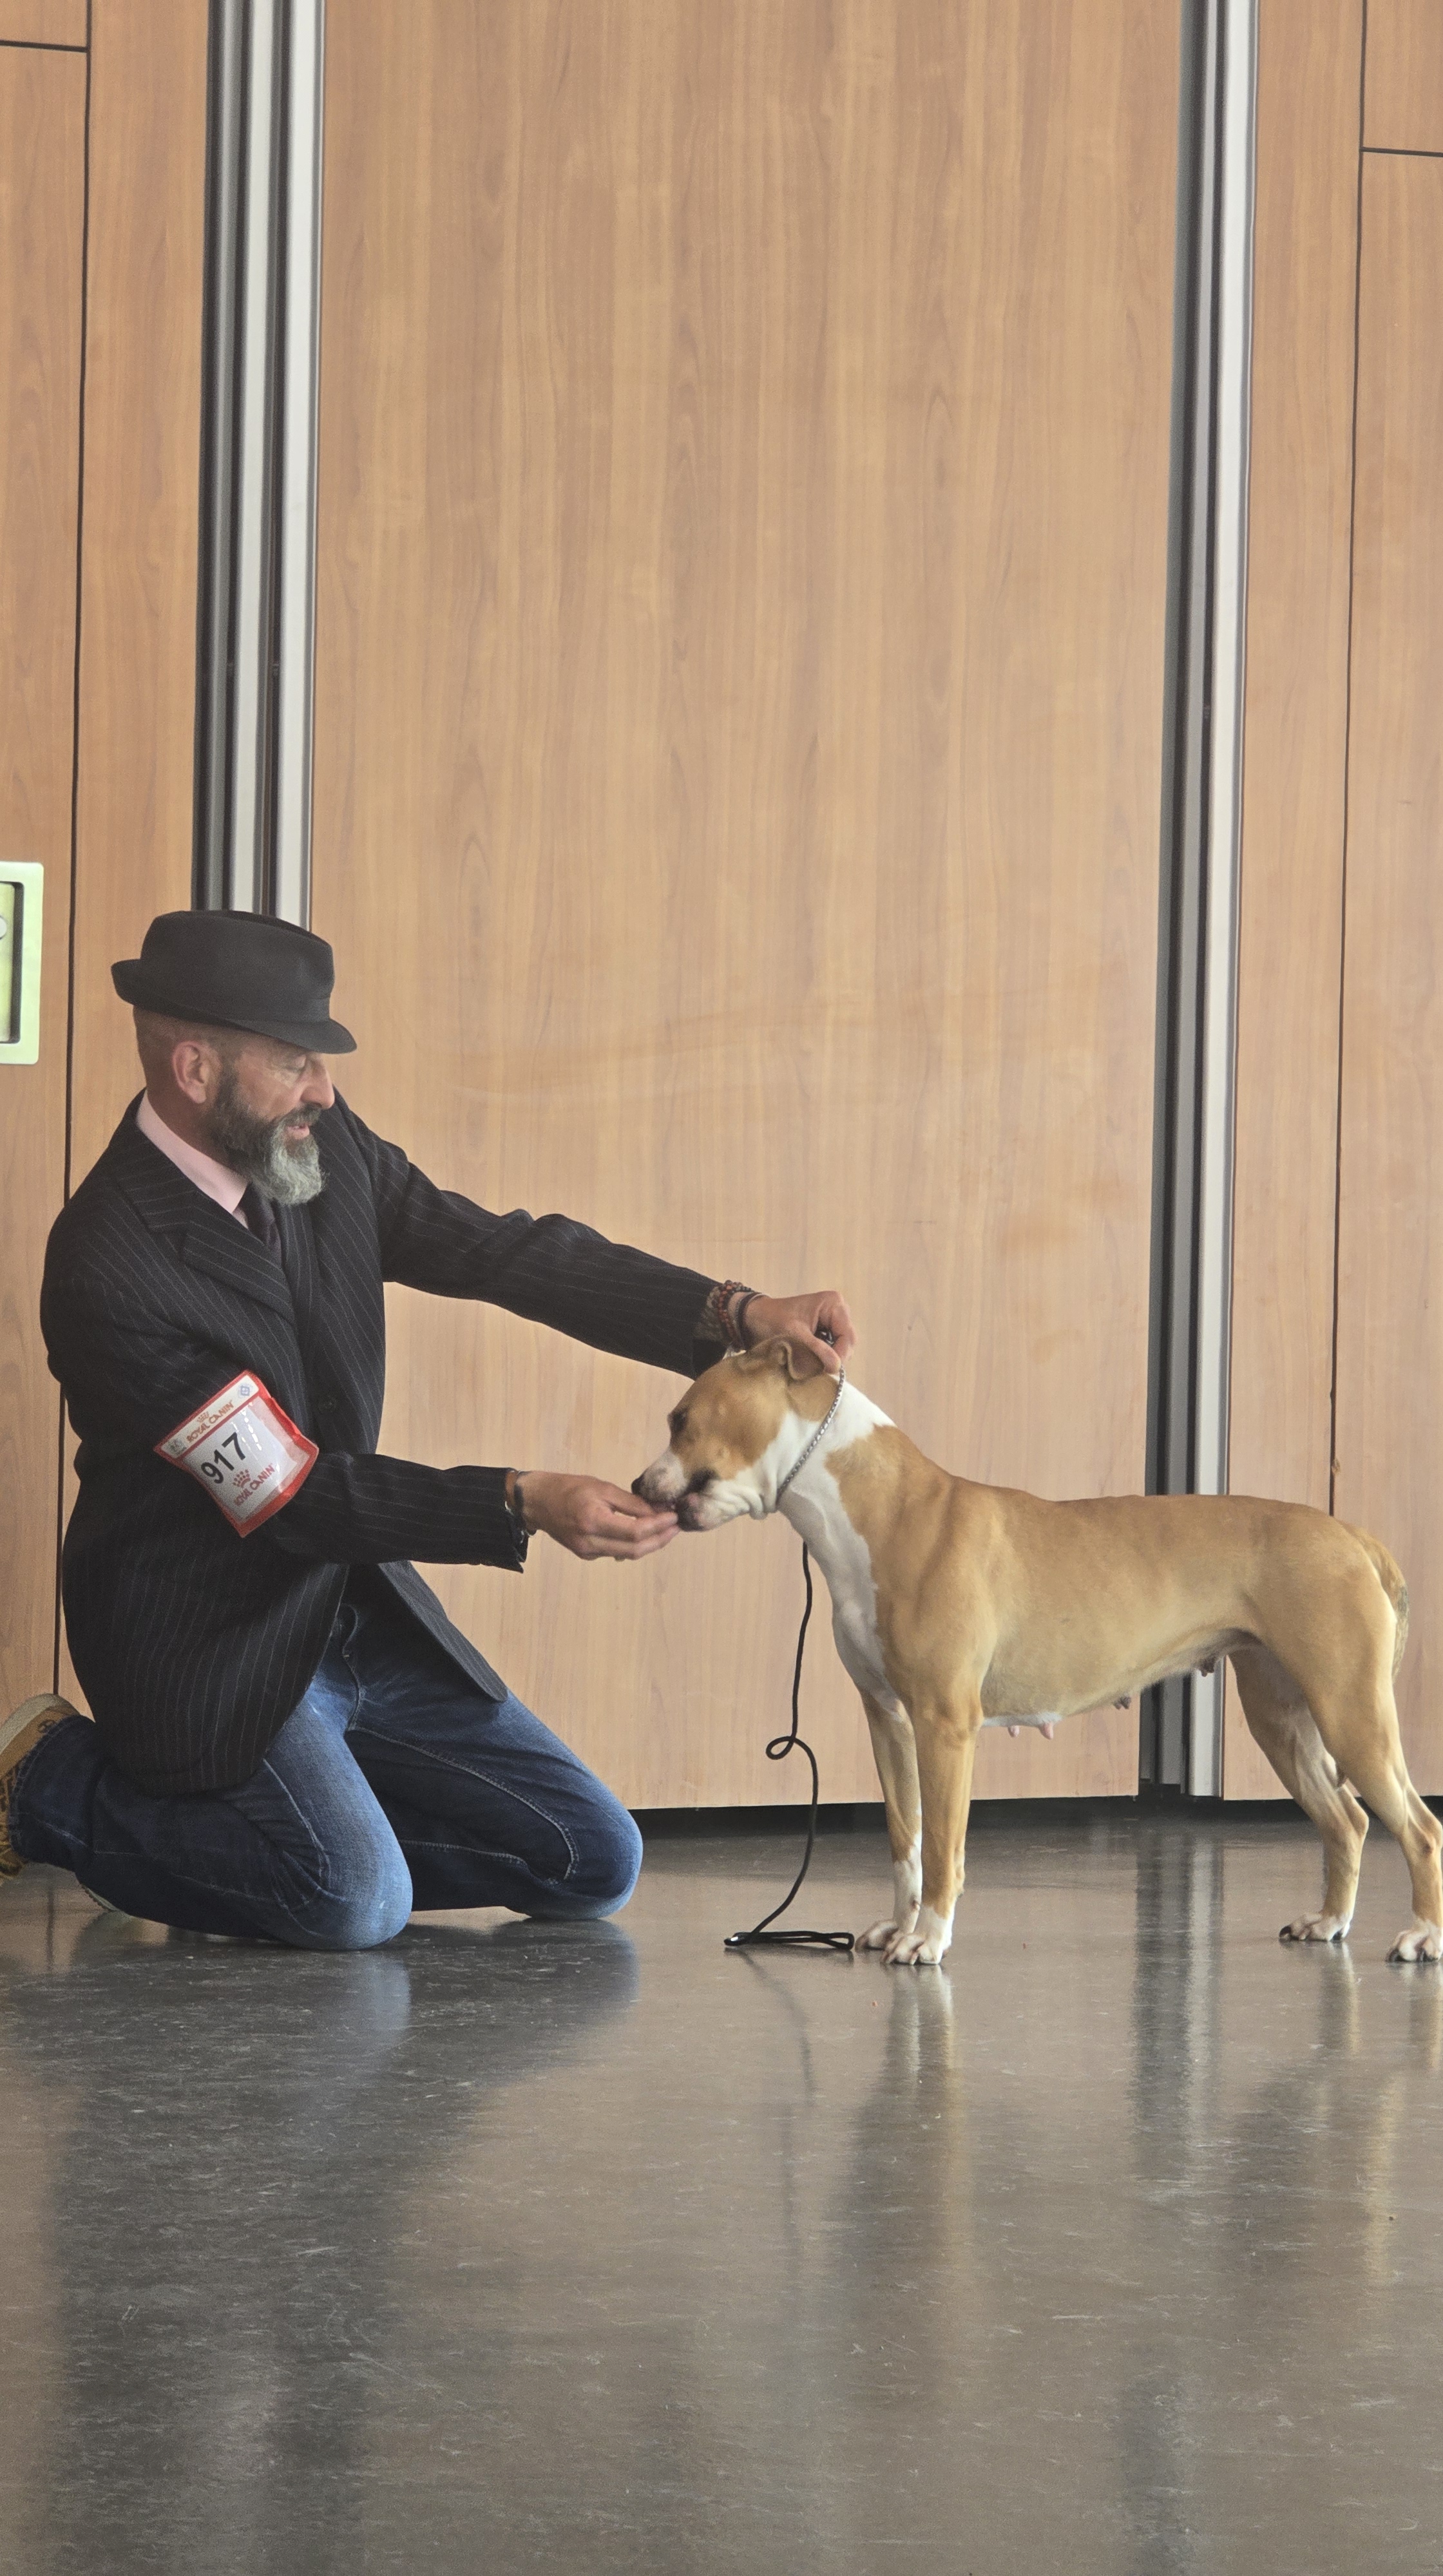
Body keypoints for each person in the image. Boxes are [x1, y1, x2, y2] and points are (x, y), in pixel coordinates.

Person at [0, 910, 854, 1947]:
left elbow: (504, 1253)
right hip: (213, 1644)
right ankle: (50, 1784)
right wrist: (518, 1501)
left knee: (593, 1861)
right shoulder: (106, 1263)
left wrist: (735, 1313)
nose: (325, 1090)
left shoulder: (318, 1147)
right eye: (297, 1064)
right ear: (194, 1070)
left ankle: (236, 1850)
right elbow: (291, 1493)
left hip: (352, 1607)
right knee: (354, 1901)